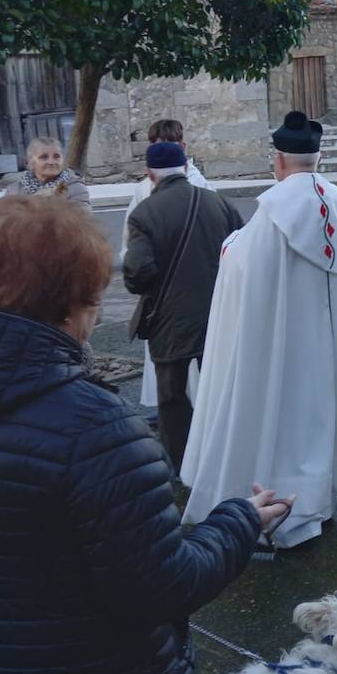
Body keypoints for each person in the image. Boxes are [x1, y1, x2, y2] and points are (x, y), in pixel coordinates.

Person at [0, 197, 289, 674]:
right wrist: (240, 520)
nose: (96, 316)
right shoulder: (95, 430)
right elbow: (164, 584)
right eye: (94, 300)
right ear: (68, 306)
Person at [181, 111, 337, 548]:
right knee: (317, 418)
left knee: (283, 421)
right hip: (328, 344)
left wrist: (229, 245)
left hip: (284, 346)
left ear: (279, 161)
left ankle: (280, 511)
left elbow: (245, 269)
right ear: (317, 160)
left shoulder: (274, 210)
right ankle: (316, 504)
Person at [123, 142, 243, 473]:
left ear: (149, 173)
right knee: (220, 390)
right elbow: (243, 251)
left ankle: (182, 465)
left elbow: (137, 272)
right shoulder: (219, 202)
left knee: (173, 397)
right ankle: (227, 455)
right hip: (219, 315)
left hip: (168, 320)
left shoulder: (144, 213)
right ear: (185, 167)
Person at [121, 119, 214, 409]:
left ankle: (184, 427)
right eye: (158, 143)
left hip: (170, 292)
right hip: (187, 292)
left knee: (179, 374)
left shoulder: (202, 186)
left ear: (182, 147)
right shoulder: (143, 190)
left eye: (170, 143)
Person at [4, 136, 93, 209]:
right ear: (30, 163)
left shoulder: (75, 188)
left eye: (56, 156)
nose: (51, 162)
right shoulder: (14, 191)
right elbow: (5, 222)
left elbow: (82, 222)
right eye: (44, 157)